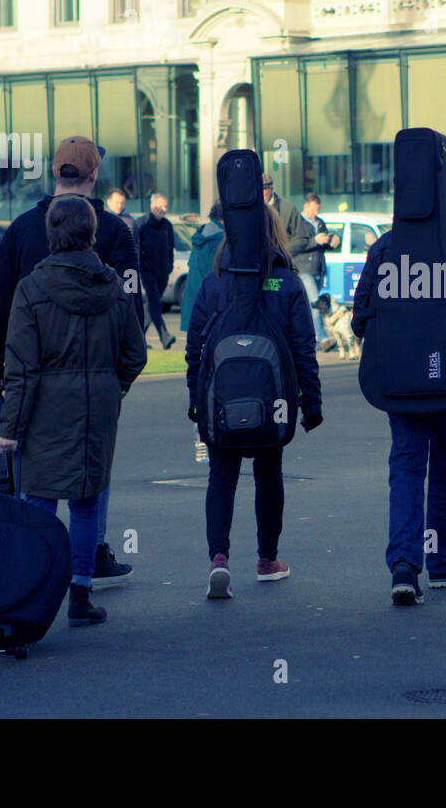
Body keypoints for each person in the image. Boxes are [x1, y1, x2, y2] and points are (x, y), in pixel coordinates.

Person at [0, 135, 144, 589]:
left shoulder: (20, 231)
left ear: (55, 172)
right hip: (98, 380)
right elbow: (133, 311)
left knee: (38, 484)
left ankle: (36, 576)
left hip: (34, 379)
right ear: (94, 176)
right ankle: (86, 568)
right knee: (91, 482)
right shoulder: (115, 232)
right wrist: (119, 380)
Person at [351, 161, 446, 606]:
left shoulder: (384, 249)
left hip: (401, 378)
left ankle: (404, 563)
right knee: (445, 468)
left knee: (405, 465)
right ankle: (440, 562)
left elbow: (362, 317)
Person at [185, 202, 322, 598]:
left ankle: (218, 559)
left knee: (221, 477)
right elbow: (303, 351)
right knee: (269, 473)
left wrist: (196, 401)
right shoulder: (288, 283)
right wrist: (311, 406)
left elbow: (195, 349)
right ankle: (267, 559)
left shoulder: (214, 283)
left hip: (220, 405)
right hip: (273, 405)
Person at [292, 192, 340, 349]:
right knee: (315, 304)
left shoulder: (320, 222)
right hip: (303, 269)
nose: (316, 213)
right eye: (313, 209)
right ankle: (323, 338)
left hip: (318, 269)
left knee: (306, 306)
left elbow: (323, 245)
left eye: (317, 210)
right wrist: (314, 241)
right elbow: (293, 246)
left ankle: (305, 337)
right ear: (306, 206)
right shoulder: (297, 222)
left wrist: (332, 242)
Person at [137, 193, 177, 349]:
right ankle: (164, 336)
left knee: (151, 307)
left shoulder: (167, 225)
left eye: (166, 206)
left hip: (163, 273)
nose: (164, 209)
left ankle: (137, 340)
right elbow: (137, 247)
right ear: (153, 206)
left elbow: (170, 249)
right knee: (154, 303)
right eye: (161, 206)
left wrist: (169, 266)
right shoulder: (141, 224)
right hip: (147, 272)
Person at [180, 202, 223, 333]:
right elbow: (216, 276)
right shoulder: (220, 238)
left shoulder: (203, 232)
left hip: (194, 302)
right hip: (209, 305)